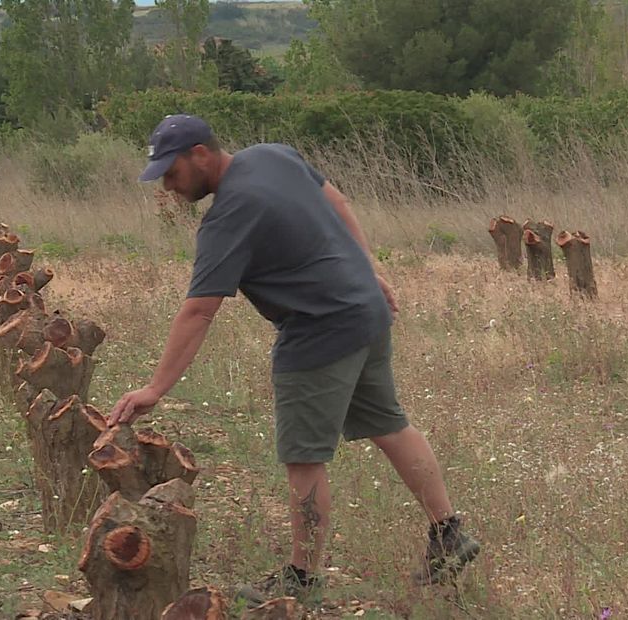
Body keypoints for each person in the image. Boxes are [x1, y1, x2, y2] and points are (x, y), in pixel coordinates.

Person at [107, 114, 479, 606]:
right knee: (390, 425)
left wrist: (155, 388)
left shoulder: (228, 216)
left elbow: (199, 311)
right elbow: (338, 201)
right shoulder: (272, 155)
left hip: (317, 332)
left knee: (304, 459)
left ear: (200, 154)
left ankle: (303, 581)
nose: (169, 188)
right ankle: (449, 532)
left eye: (171, 174)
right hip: (363, 313)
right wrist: (367, 269)